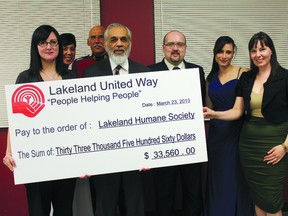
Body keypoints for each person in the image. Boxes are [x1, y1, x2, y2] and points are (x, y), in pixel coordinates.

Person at [204, 32, 288, 216]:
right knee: (256, 196)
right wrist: (212, 113)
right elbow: (235, 110)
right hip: (244, 142)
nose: (258, 54)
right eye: (254, 50)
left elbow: (241, 112)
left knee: (271, 199)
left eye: (262, 49)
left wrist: (285, 146)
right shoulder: (246, 79)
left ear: (271, 51)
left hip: (270, 141)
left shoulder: (280, 77)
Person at [2, 24, 77, 216]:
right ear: (35, 47)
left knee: (64, 209)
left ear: (59, 46)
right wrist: (9, 151)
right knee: (38, 210)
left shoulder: (71, 77)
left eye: (53, 42)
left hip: (65, 157)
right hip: (35, 158)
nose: (49, 46)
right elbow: (16, 120)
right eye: (43, 42)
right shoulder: (26, 78)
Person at [83, 23, 150, 216]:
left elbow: (151, 118)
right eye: (113, 39)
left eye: (124, 39)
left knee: (135, 206)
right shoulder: (90, 74)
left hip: (137, 155)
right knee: (105, 206)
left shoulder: (144, 73)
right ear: (105, 44)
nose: (119, 44)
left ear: (130, 43)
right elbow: (86, 117)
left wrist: (150, 151)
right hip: (104, 155)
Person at [148, 30, 205, 216]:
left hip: (190, 143)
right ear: (163, 48)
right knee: (164, 194)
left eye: (180, 45)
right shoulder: (150, 72)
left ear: (185, 48)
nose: (175, 48)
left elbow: (200, 105)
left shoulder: (197, 71)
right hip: (162, 145)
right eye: (171, 44)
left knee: (193, 193)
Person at [205, 36, 254, 216]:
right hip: (216, 135)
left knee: (234, 176)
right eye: (220, 51)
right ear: (214, 53)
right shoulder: (210, 78)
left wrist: (213, 114)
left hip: (237, 133)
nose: (224, 56)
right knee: (218, 177)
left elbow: (240, 110)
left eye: (228, 52)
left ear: (234, 53)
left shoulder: (244, 73)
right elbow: (208, 108)